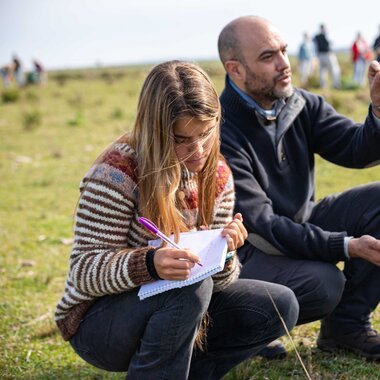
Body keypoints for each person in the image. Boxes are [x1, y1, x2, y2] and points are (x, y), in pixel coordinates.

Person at [54, 60, 298, 379]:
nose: (198, 150)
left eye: (206, 133)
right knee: (188, 288)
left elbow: (220, 283)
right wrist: (150, 264)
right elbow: (84, 271)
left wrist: (224, 254)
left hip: (179, 309)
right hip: (99, 326)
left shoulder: (218, 175)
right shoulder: (116, 174)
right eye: (181, 139)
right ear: (155, 131)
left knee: (280, 304)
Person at [218, 15, 380, 360]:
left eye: (284, 51)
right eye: (267, 57)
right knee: (324, 284)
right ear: (235, 70)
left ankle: (345, 329)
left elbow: (356, 148)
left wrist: (378, 110)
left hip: (301, 223)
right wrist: (346, 245)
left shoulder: (300, 103)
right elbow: (261, 226)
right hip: (245, 249)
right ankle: (242, 328)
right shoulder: (218, 129)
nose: (284, 64)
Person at [313, 24, 341, 88]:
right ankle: (336, 84)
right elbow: (331, 43)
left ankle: (323, 85)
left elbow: (314, 45)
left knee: (322, 71)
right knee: (334, 69)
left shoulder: (316, 36)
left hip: (320, 55)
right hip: (327, 55)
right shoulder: (326, 35)